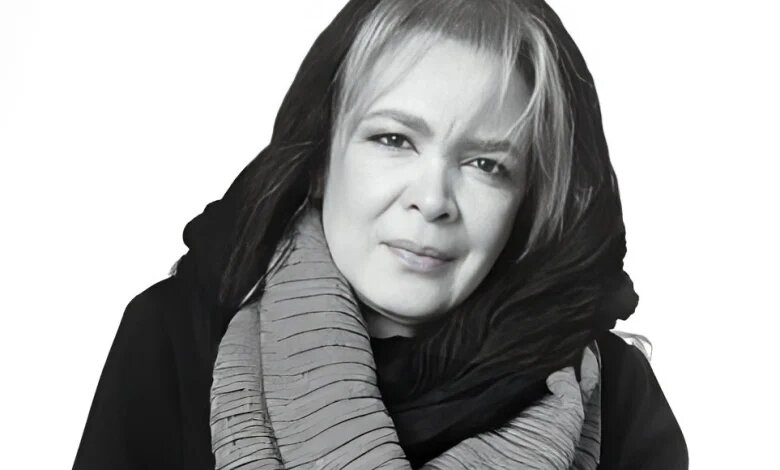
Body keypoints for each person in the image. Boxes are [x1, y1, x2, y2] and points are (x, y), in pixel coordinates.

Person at [73, 0, 688, 468]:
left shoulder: (616, 392)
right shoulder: (174, 340)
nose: (433, 200)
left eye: (486, 164)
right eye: (394, 139)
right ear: (320, 158)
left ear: (526, 200)